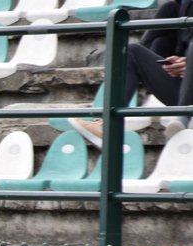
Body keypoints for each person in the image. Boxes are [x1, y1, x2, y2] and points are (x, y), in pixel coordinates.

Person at [70, 0, 193, 148]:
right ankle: (107, 125)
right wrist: (176, 64)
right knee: (132, 51)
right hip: (183, 89)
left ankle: (183, 120)